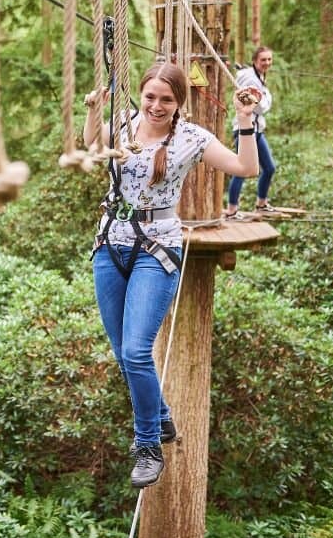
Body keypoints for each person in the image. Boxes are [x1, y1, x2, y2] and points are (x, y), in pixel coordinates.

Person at [82, 62, 259, 489]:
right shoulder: (122, 125)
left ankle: (147, 447)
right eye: (150, 97)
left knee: (137, 350)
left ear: (179, 102)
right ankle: (160, 417)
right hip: (110, 243)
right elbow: (91, 147)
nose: (156, 106)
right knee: (124, 354)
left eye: (166, 99)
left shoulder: (192, 138)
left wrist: (245, 122)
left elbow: (244, 168)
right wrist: (93, 110)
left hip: (156, 248)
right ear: (140, 96)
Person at [224, 46, 277, 219]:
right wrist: (267, 98)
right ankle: (231, 210)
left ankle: (261, 204)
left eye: (269, 59)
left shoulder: (257, 76)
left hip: (256, 129)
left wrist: (265, 97)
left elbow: (261, 105)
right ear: (255, 61)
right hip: (246, 130)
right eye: (263, 60)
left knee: (269, 168)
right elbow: (261, 107)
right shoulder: (250, 78)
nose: (267, 63)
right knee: (241, 170)